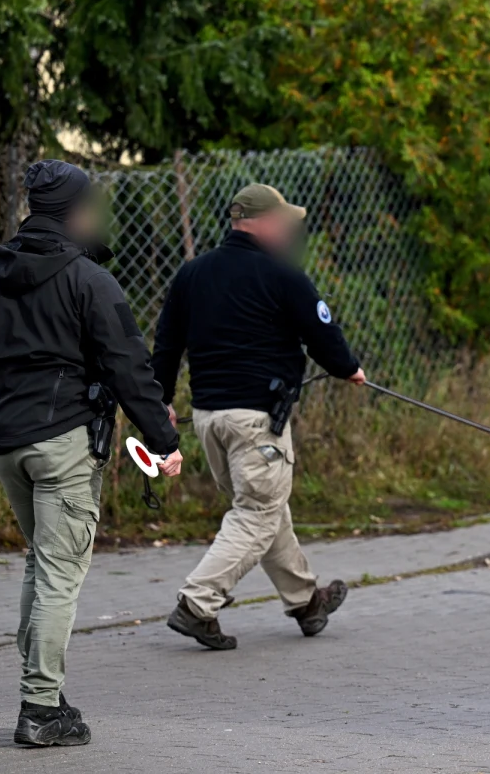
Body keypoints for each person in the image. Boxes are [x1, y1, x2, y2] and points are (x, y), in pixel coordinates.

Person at [0, 159, 182, 747]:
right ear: (75, 211)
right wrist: (164, 440)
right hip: (63, 444)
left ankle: (45, 693)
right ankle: (39, 707)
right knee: (58, 573)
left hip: (6, 444)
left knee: (41, 562)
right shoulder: (90, 280)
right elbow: (129, 366)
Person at [152, 183, 364, 650]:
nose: (289, 229)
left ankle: (307, 602)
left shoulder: (193, 274)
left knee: (266, 510)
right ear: (264, 223)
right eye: (284, 220)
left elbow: (167, 344)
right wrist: (349, 369)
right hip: (257, 422)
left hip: (209, 420)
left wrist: (161, 401)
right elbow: (322, 333)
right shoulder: (283, 275)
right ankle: (197, 603)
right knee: (257, 513)